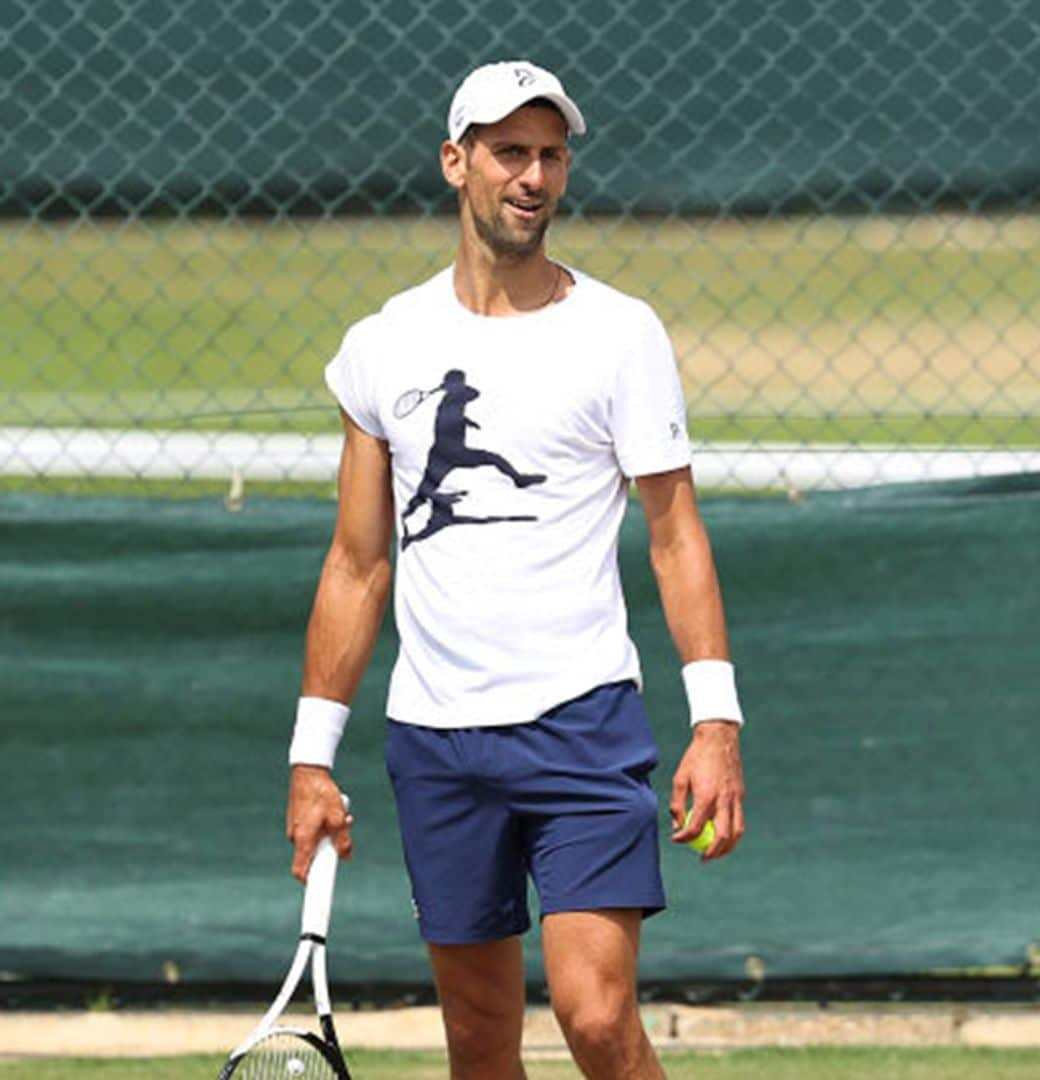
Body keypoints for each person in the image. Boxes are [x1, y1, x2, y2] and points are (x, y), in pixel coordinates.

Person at [282, 60, 746, 1080]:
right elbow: (358, 565)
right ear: (457, 164)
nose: (533, 176)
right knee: (480, 1045)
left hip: (583, 723)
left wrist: (716, 722)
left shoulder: (621, 334)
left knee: (593, 1017)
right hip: (436, 742)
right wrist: (312, 759)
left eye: (551, 155)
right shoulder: (383, 346)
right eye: (509, 153)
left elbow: (676, 536)